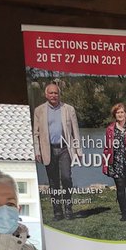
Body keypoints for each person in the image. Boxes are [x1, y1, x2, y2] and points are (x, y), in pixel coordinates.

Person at [32, 81, 81, 221]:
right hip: (49, 150)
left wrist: (78, 150)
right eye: (51, 93)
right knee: (53, 182)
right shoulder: (39, 111)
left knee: (66, 178)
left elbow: (75, 131)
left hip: (65, 149)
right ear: (46, 94)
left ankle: (68, 209)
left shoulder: (68, 109)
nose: (54, 95)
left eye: (56, 93)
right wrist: (37, 151)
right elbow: (36, 133)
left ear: (59, 94)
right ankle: (57, 212)